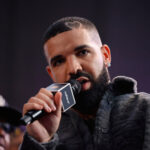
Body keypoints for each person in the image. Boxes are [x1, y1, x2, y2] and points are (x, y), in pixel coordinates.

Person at [20, 16, 150, 150]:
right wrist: (40, 142)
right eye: (59, 62)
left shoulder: (145, 109)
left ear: (106, 56)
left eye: (83, 52)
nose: (73, 68)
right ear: (51, 73)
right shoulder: (48, 129)